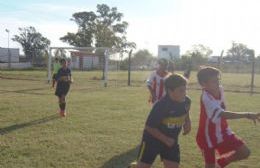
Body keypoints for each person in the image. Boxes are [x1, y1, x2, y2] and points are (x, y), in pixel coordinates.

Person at [196, 66, 260, 168]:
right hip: (207, 136)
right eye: (214, 81)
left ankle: (221, 163)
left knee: (245, 152)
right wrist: (247, 115)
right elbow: (223, 114)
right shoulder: (206, 98)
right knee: (210, 166)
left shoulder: (220, 90)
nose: (217, 83)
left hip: (223, 131)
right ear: (204, 84)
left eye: (218, 80)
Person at [135, 74, 191, 168]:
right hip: (152, 141)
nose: (185, 93)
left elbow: (186, 110)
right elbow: (149, 127)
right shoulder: (161, 105)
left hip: (171, 141)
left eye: (185, 89)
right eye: (181, 90)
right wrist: (166, 139)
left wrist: (187, 122)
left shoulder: (186, 101)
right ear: (170, 91)